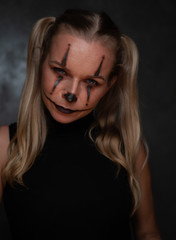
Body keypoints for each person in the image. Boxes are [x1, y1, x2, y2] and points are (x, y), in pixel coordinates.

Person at [0, 9, 161, 240]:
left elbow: (148, 233)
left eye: (91, 82)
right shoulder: (5, 146)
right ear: (40, 60)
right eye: (60, 71)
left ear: (110, 84)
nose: (71, 94)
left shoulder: (129, 151)